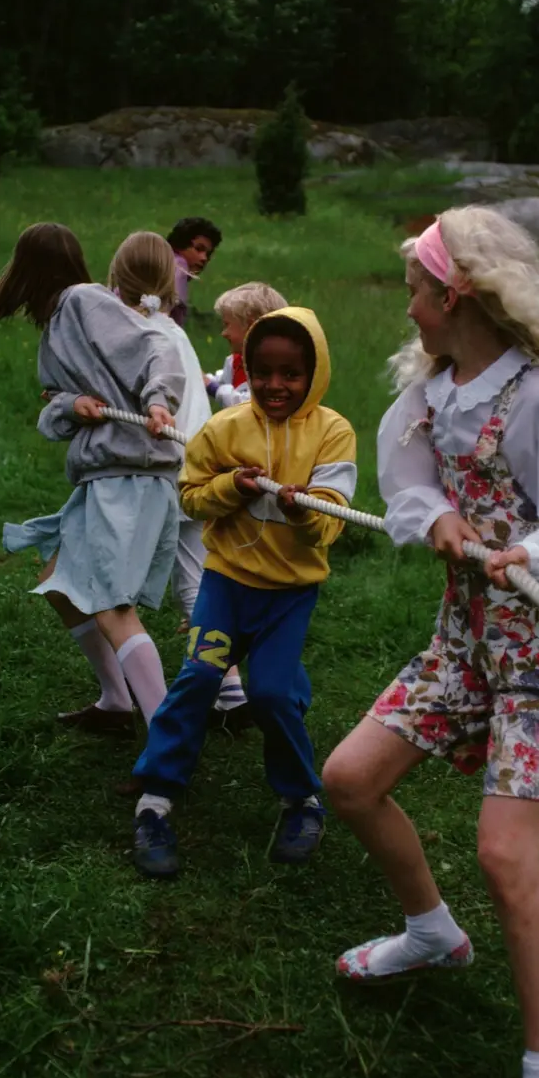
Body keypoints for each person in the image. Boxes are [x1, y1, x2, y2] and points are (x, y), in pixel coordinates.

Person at [321, 207, 539, 1078]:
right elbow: (412, 476)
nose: (410, 309)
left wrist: (533, 555)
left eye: (417, 293)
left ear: (456, 294)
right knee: (349, 780)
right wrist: (436, 518)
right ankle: (434, 934)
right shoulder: (434, 392)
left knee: (506, 855)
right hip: (466, 639)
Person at [130, 308, 357, 879]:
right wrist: (231, 486)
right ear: (246, 370)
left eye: (292, 374)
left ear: (314, 374)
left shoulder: (333, 432)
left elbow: (333, 523)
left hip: (289, 596)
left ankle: (301, 801)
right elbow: (190, 497)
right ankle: (155, 799)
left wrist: (302, 511)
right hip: (226, 585)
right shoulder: (224, 428)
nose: (276, 385)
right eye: (263, 372)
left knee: (273, 695)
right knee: (202, 676)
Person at [0, 223, 185, 737]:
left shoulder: (82, 301)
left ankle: (169, 740)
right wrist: (71, 405)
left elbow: (158, 347)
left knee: (111, 607)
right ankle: (116, 701)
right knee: (61, 587)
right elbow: (56, 409)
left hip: (131, 475)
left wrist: (159, 400)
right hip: (105, 476)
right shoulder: (58, 321)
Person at [109, 230, 250, 732]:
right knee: (195, 583)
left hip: (160, 469)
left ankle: (135, 697)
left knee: (113, 582)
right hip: (198, 463)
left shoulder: (133, 335)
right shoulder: (174, 330)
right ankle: (230, 690)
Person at [205, 282, 288, 409]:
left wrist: (212, 388)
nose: (224, 333)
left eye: (227, 325)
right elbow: (220, 379)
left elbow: (247, 406)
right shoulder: (236, 361)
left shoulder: (273, 371)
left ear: (251, 327)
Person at [166, 217, 222, 329]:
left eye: (208, 254)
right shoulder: (179, 266)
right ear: (179, 245)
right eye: (199, 249)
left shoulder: (160, 262)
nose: (204, 258)